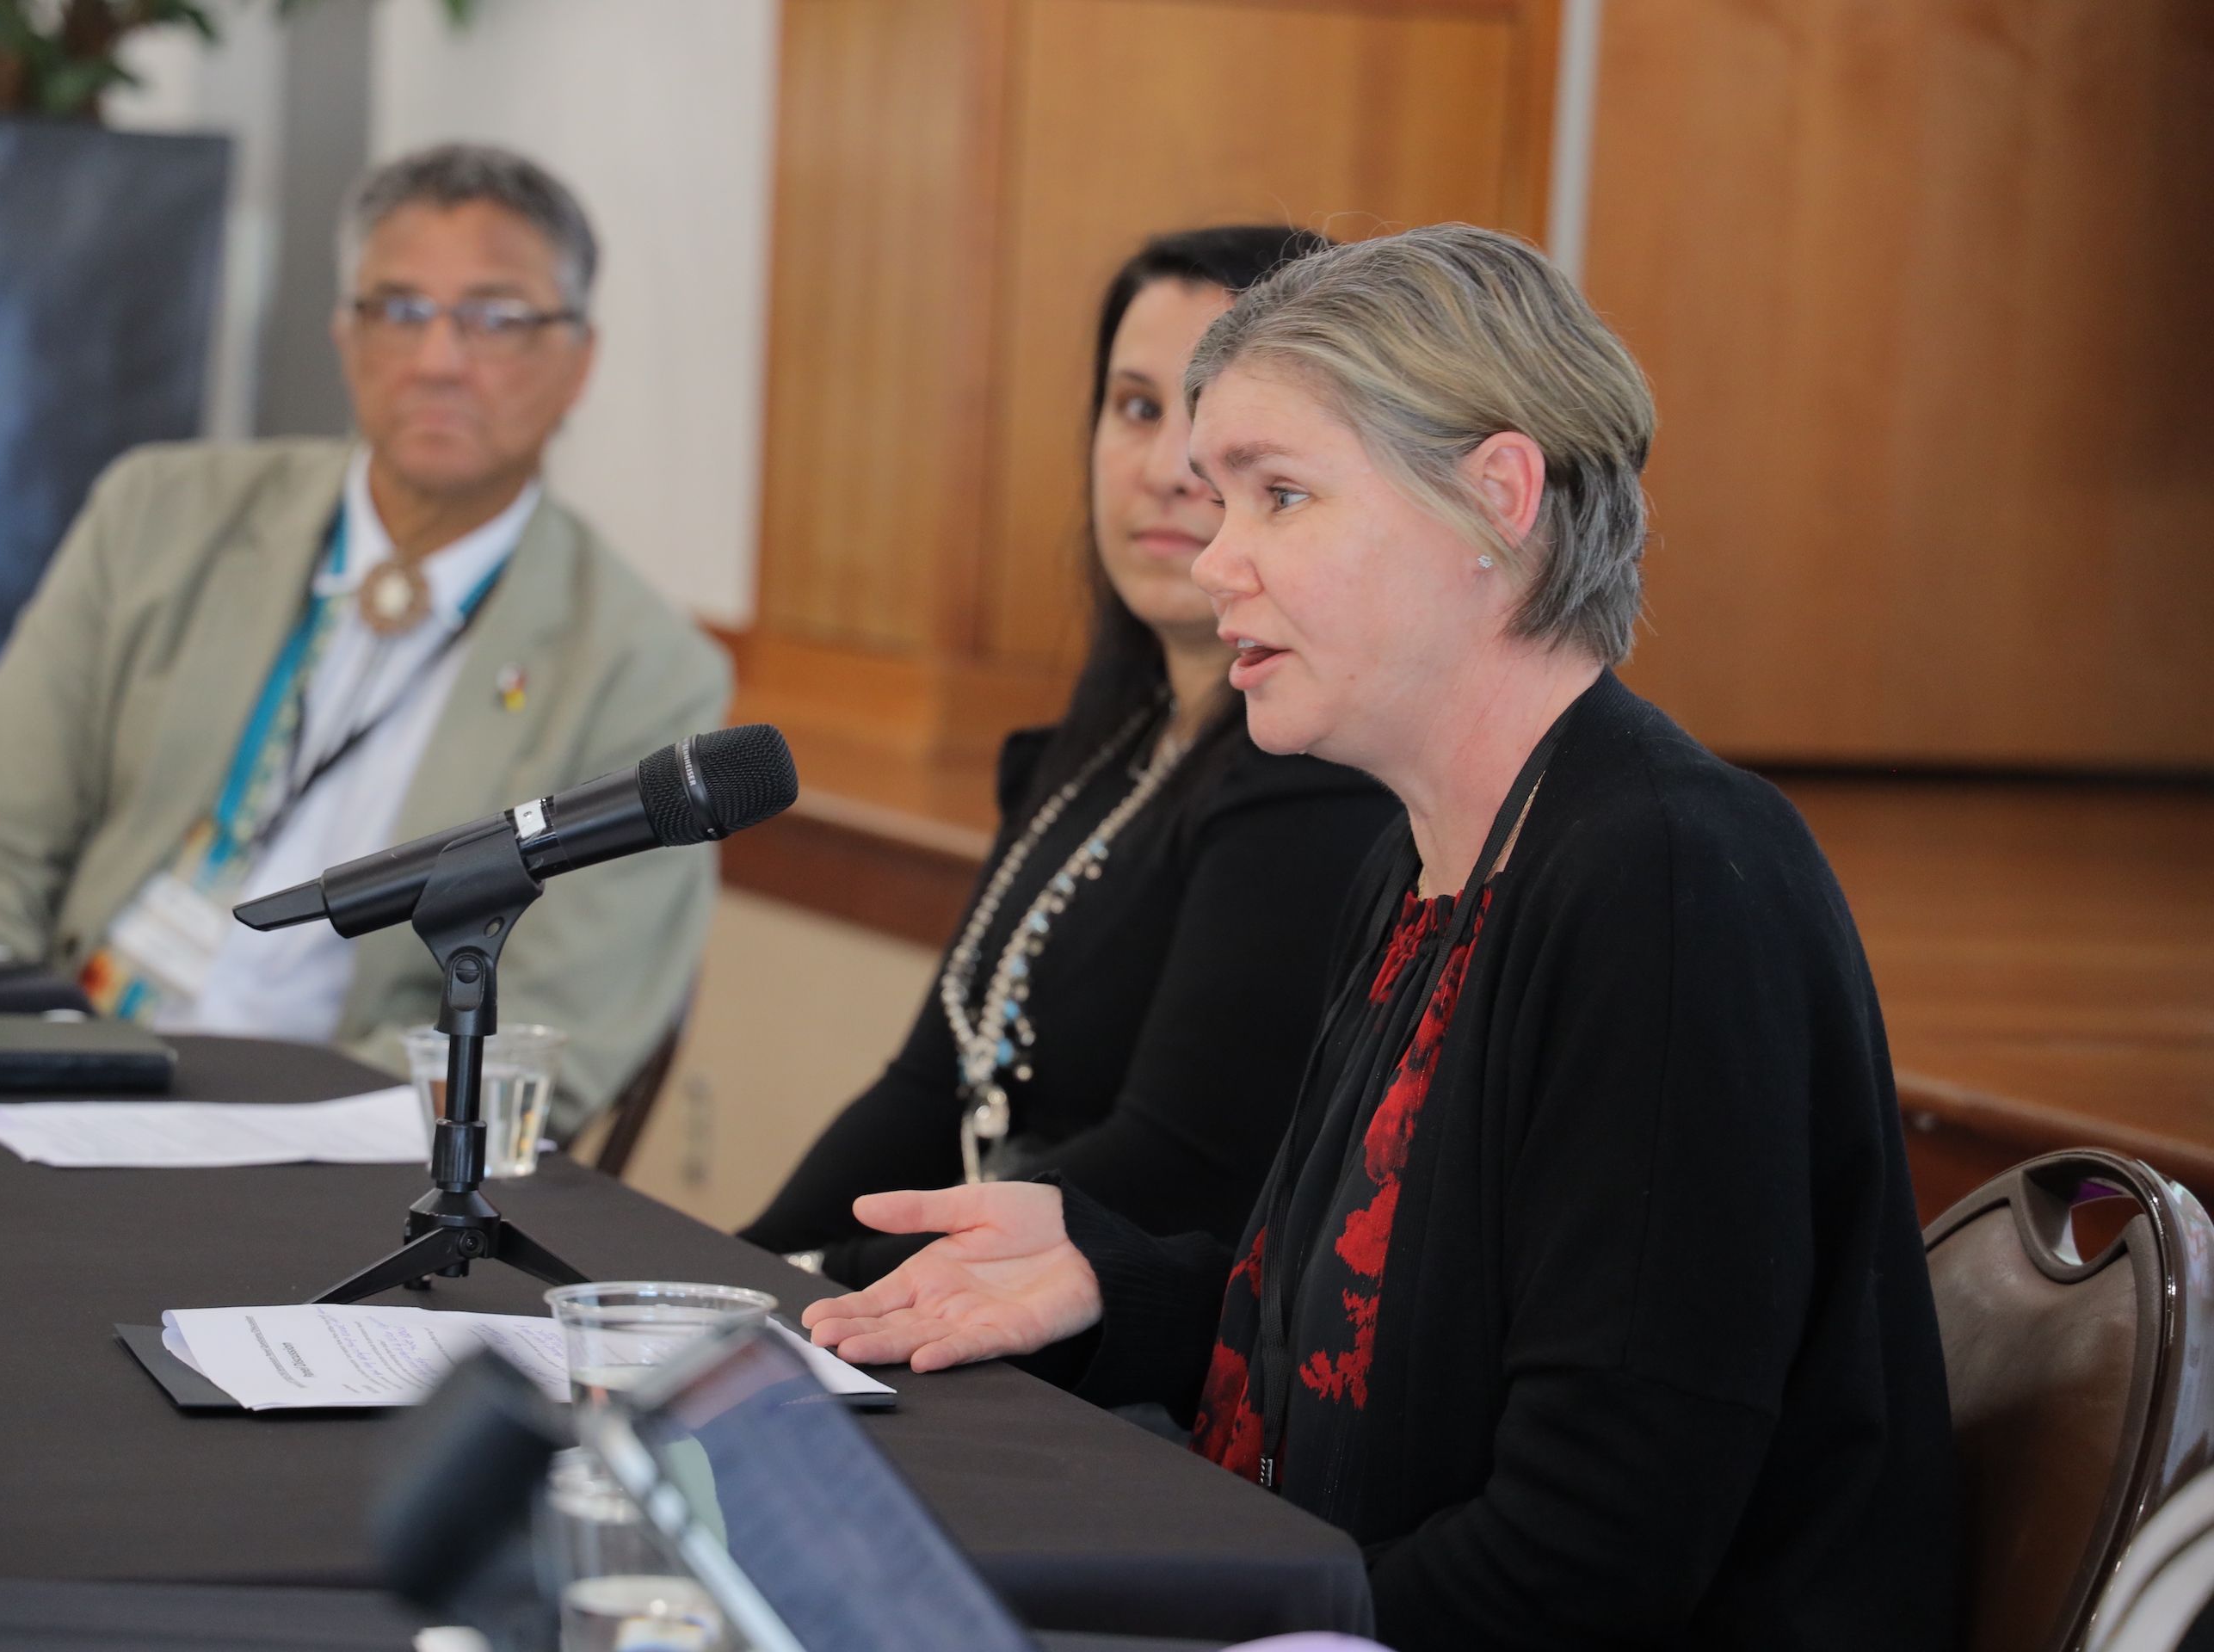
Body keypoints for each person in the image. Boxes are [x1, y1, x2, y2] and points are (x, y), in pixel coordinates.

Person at [802, 227, 1959, 1646]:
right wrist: (1110, 1279)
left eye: (1281, 495)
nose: (1218, 556)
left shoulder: (1665, 881)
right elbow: (1373, 1354)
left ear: (1497, 501)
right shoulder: (1425, 861)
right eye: (1227, 500)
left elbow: (1595, 1550)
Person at [0, 144, 725, 1133]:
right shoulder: (160, 516)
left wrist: (234, 1133)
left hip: (318, 1157)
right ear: (346, 336)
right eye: (400, 310)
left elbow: (543, 1041)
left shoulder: (643, 674)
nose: (440, 360)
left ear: (579, 360)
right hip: (41, 1081)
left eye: (495, 318)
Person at [741, 227, 1401, 1289]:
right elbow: (925, 1088)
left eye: (1221, 426)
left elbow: (1174, 1169)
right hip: (950, 1307)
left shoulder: (1317, 776)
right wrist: (740, 1276)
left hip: (1118, 1371)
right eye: (1137, 408)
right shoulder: (1109, 747)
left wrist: (827, 1275)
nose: (1168, 470)